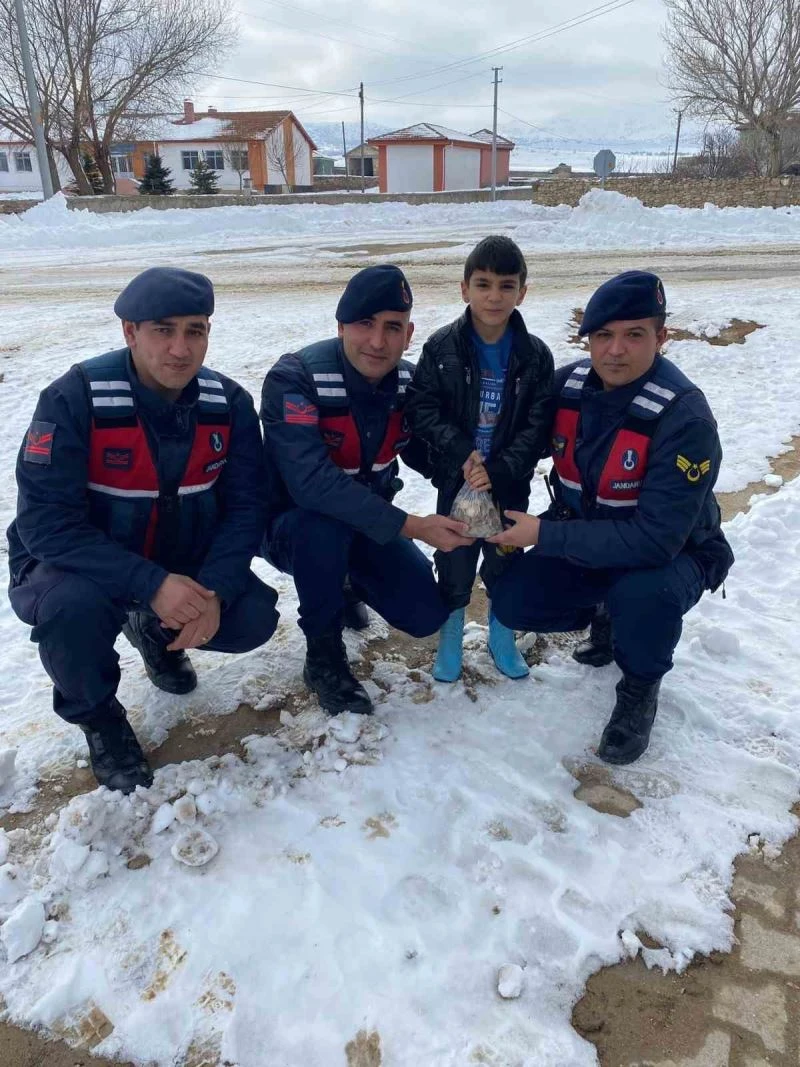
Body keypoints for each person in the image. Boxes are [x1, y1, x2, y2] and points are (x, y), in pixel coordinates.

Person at [7, 268, 279, 794]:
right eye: (163, 329)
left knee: (252, 618)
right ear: (130, 332)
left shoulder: (228, 405)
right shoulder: (75, 398)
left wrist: (216, 589)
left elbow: (248, 508)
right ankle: (102, 719)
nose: (180, 349)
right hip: (83, 566)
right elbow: (45, 523)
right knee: (70, 612)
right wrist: (152, 584)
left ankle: (157, 636)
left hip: (177, 553)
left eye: (195, 330)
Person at [487, 270, 734, 764]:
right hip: (589, 534)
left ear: (661, 337)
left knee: (644, 594)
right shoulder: (570, 387)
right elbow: (515, 444)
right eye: (603, 335)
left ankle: (640, 688)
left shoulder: (684, 418)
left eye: (634, 335)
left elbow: (655, 541)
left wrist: (545, 533)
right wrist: (473, 472)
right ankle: (605, 614)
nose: (615, 351)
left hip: (671, 555)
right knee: (509, 592)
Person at [261, 264, 473, 716]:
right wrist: (414, 527)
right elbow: (310, 483)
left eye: (392, 327)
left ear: (409, 333)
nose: (378, 342)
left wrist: (473, 473)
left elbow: (425, 454)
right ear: (340, 326)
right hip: (292, 526)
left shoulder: (408, 384)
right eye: (365, 324)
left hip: (366, 522)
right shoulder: (296, 378)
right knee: (322, 526)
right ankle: (323, 656)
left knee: (425, 616)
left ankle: (345, 584)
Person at [404, 235, 554, 682]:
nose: (494, 296)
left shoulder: (534, 355)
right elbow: (422, 408)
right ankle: (450, 636)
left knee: (504, 557)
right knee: (455, 559)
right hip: (457, 479)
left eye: (506, 286)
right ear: (464, 288)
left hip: (508, 482)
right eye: (483, 284)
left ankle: (501, 633)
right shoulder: (442, 347)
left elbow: (538, 425)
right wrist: (461, 453)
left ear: (522, 292)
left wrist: (501, 468)